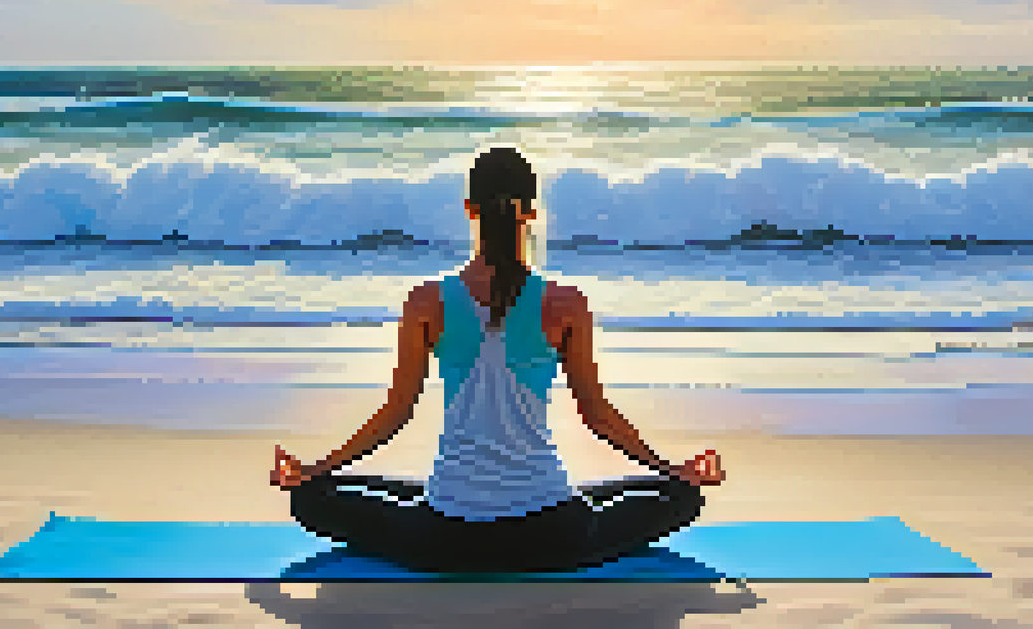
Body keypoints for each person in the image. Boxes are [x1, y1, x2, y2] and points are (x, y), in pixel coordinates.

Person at [271, 146, 724, 573]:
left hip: (443, 537)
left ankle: (392, 491)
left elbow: (395, 415)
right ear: (531, 212)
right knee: (682, 496)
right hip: (553, 534)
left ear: (471, 209)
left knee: (311, 498)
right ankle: (645, 484)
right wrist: (672, 469)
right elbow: (598, 418)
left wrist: (315, 470)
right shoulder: (566, 303)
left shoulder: (427, 302)